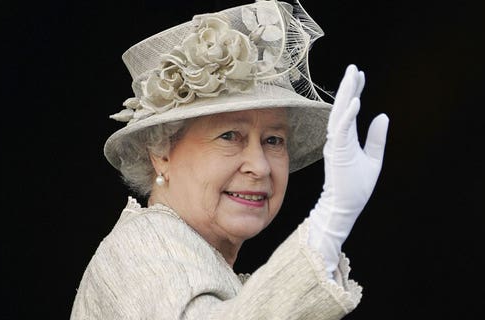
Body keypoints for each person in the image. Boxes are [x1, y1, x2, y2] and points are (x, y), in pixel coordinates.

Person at [70, 0, 389, 319]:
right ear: (161, 153)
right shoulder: (143, 249)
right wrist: (331, 220)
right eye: (229, 136)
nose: (260, 166)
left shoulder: (196, 260)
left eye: (273, 140)